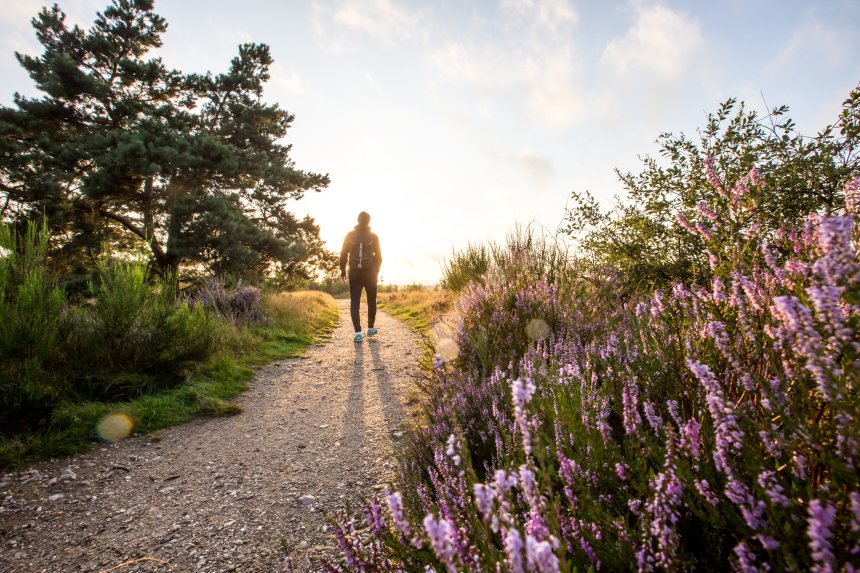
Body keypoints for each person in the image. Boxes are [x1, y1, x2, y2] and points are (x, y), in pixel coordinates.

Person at [340, 211, 382, 342]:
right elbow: (379, 257)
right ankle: (370, 328)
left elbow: (343, 254)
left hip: (354, 273)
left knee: (355, 303)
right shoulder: (373, 236)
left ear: (357, 220)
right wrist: (376, 271)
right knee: (371, 301)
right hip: (370, 274)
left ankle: (358, 333)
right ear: (369, 221)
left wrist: (343, 270)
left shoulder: (349, 235)